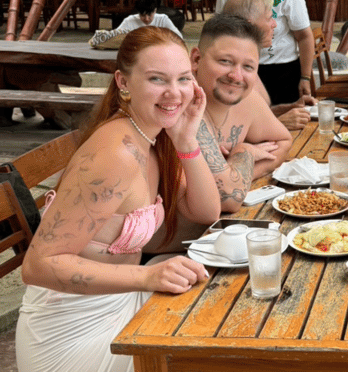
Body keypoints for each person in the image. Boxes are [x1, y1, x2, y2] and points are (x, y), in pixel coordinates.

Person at [16, 26, 220, 372]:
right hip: (72, 334)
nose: (174, 93)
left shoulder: (153, 136)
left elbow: (207, 211)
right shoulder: (116, 154)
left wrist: (186, 140)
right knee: (209, 356)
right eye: (158, 79)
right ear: (123, 83)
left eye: (184, 79)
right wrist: (147, 278)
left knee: (215, 302)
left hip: (118, 304)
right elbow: (37, 266)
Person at [144, 14, 292, 252]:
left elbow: (283, 140)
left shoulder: (247, 100)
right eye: (225, 61)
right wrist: (244, 152)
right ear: (196, 59)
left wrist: (237, 175)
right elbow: (228, 199)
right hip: (166, 257)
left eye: (248, 67)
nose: (236, 76)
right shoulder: (180, 104)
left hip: (214, 243)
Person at [223, 0, 316, 130]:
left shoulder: (246, 61)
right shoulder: (231, 72)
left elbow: (257, 114)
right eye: (269, 18)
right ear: (249, 24)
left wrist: (291, 107)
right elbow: (226, 132)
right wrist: (281, 123)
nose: (275, 24)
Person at [115, 0, 182, 38]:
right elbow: (115, 36)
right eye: (143, 15)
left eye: (150, 15)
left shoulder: (162, 19)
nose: (147, 19)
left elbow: (178, 36)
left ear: (155, 10)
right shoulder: (129, 21)